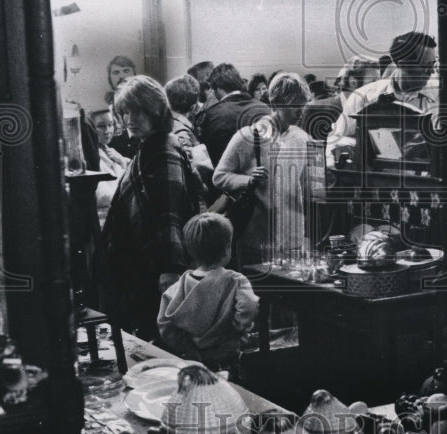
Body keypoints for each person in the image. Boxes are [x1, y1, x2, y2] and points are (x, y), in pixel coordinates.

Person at [97, 76, 199, 340]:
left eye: (139, 111)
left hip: (155, 270)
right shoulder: (151, 146)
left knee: (158, 340)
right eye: (125, 111)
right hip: (144, 267)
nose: (130, 118)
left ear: (156, 111)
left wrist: (170, 267)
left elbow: (169, 214)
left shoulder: (162, 148)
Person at [213, 72, 312, 269]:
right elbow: (219, 176)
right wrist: (247, 180)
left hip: (292, 234)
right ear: (277, 103)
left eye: (303, 105)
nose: (300, 112)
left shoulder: (303, 139)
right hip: (255, 235)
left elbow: (307, 187)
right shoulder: (247, 137)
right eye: (294, 106)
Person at [328, 31, 447, 161]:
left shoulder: (442, 97)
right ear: (403, 64)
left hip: (425, 182)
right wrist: (360, 147)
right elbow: (336, 138)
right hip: (376, 181)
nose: (431, 71)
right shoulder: (363, 97)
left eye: (433, 64)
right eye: (425, 66)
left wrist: (434, 160)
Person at [157, 212, 259, 377]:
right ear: (227, 248)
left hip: (194, 361)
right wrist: (239, 327)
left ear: (190, 251)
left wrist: (188, 349)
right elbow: (250, 306)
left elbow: (164, 325)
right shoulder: (236, 280)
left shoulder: (177, 287)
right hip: (228, 359)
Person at [197, 63, 271, 168]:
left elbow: (209, 158)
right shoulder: (265, 109)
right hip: (263, 176)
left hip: (226, 179)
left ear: (218, 88)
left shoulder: (210, 116)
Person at [88, 109, 129, 227]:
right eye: (101, 126)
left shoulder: (111, 152)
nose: (107, 131)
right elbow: (103, 196)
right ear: (91, 129)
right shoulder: (92, 156)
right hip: (104, 221)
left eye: (110, 125)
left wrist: (122, 161)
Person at [105, 55, 139, 158]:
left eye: (126, 71)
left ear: (134, 74)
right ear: (110, 78)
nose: (122, 76)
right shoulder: (106, 111)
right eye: (116, 72)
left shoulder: (144, 106)